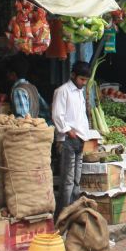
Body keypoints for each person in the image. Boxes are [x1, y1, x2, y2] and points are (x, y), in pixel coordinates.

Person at [52, 60, 91, 216]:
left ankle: (73, 212)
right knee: (67, 180)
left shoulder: (80, 92)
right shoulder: (63, 91)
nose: (83, 83)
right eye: (81, 79)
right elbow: (57, 115)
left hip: (79, 139)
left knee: (76, 180)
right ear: (73, 75)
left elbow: (80, 117)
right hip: (68, 139)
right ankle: (63, 215)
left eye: (85, 80)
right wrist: (69, 131)